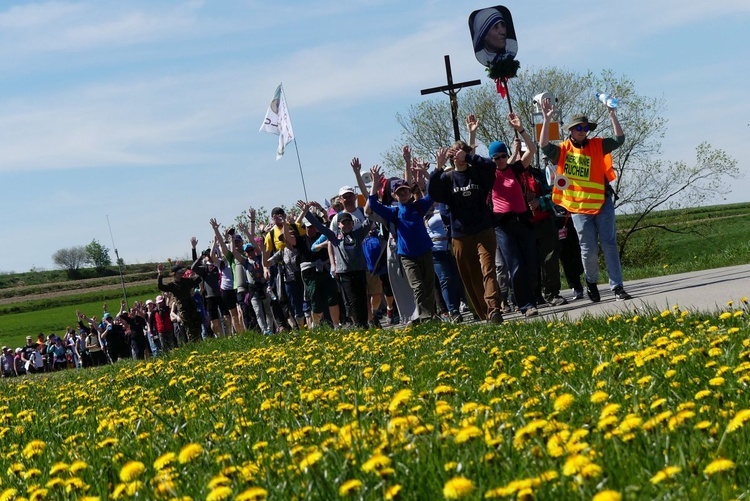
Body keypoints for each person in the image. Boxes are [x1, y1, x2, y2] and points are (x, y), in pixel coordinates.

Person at [540, 98, 633, 302]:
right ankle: (591, 282)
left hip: (602, 202)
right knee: (588, 248)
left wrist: (612, 114)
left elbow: (619, 139)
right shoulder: (563, 149)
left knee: (609, 244)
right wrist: (547, 119)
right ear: (571, 130)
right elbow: (544, 145)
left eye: (585, 127)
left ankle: (617, 287)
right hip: (579, 208)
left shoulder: (598, 145)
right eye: (578, 127)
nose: (582, 130)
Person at [429, 128, 504, 324]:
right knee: (470, 275)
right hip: (460, 234)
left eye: (460, 153)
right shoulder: (447, 179)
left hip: (484, 229)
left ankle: (494, 308)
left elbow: (490, 167)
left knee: (488, 268)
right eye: (454, 154)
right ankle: (485, 312)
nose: (458, 157)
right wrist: (437, 168)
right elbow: (433, 193)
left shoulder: (478, 174)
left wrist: (470, 156)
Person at [367, 165, 436, 324]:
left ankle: (431, 315)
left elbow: (432, 193)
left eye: (405, 191)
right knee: (418, 286)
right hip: (407, 255)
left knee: (428, 285)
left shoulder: (418, 206)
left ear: (410, 193)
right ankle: (426, 318)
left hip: (425, 250)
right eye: (399, 193)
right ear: (394, 195)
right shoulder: (394, 212)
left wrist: (424, 177)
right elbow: (373, 204)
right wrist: (375, 183)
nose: (403, 194)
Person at [157, 263, 204, 342]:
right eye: (179, 272)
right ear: (174, 274)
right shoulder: (172, 285)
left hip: (192, 306)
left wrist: (197, 269)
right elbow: (161, 286)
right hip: (183, 309)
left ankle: (200, 342)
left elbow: (198, 278)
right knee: (189, 328)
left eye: (181, 272)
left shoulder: (187, 281)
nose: (181, 273)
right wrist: (160, 274)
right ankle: (194, 344)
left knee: (197, 326)